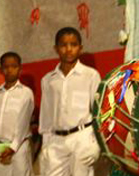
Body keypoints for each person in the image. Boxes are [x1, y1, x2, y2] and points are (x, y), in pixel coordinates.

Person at [38, 27, 101, 176]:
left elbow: (99, 112)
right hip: (56, 140)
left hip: (82, 137)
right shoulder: (48, 80)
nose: (68, 49)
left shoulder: (91, 75)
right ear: (56, 48)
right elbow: (46, 115)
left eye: (73, 45)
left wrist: (96, 143)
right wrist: (46, 144)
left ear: (80, 48)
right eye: (63, 45)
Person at [0, 52, 34, 176]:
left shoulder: (25, 93)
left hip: (19, 146)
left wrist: (13, 147)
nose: (9, 70)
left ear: (20, 68)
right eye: (6, 67)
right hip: (0, 145)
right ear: (1, 70)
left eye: (13, 66)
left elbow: (23, 123)